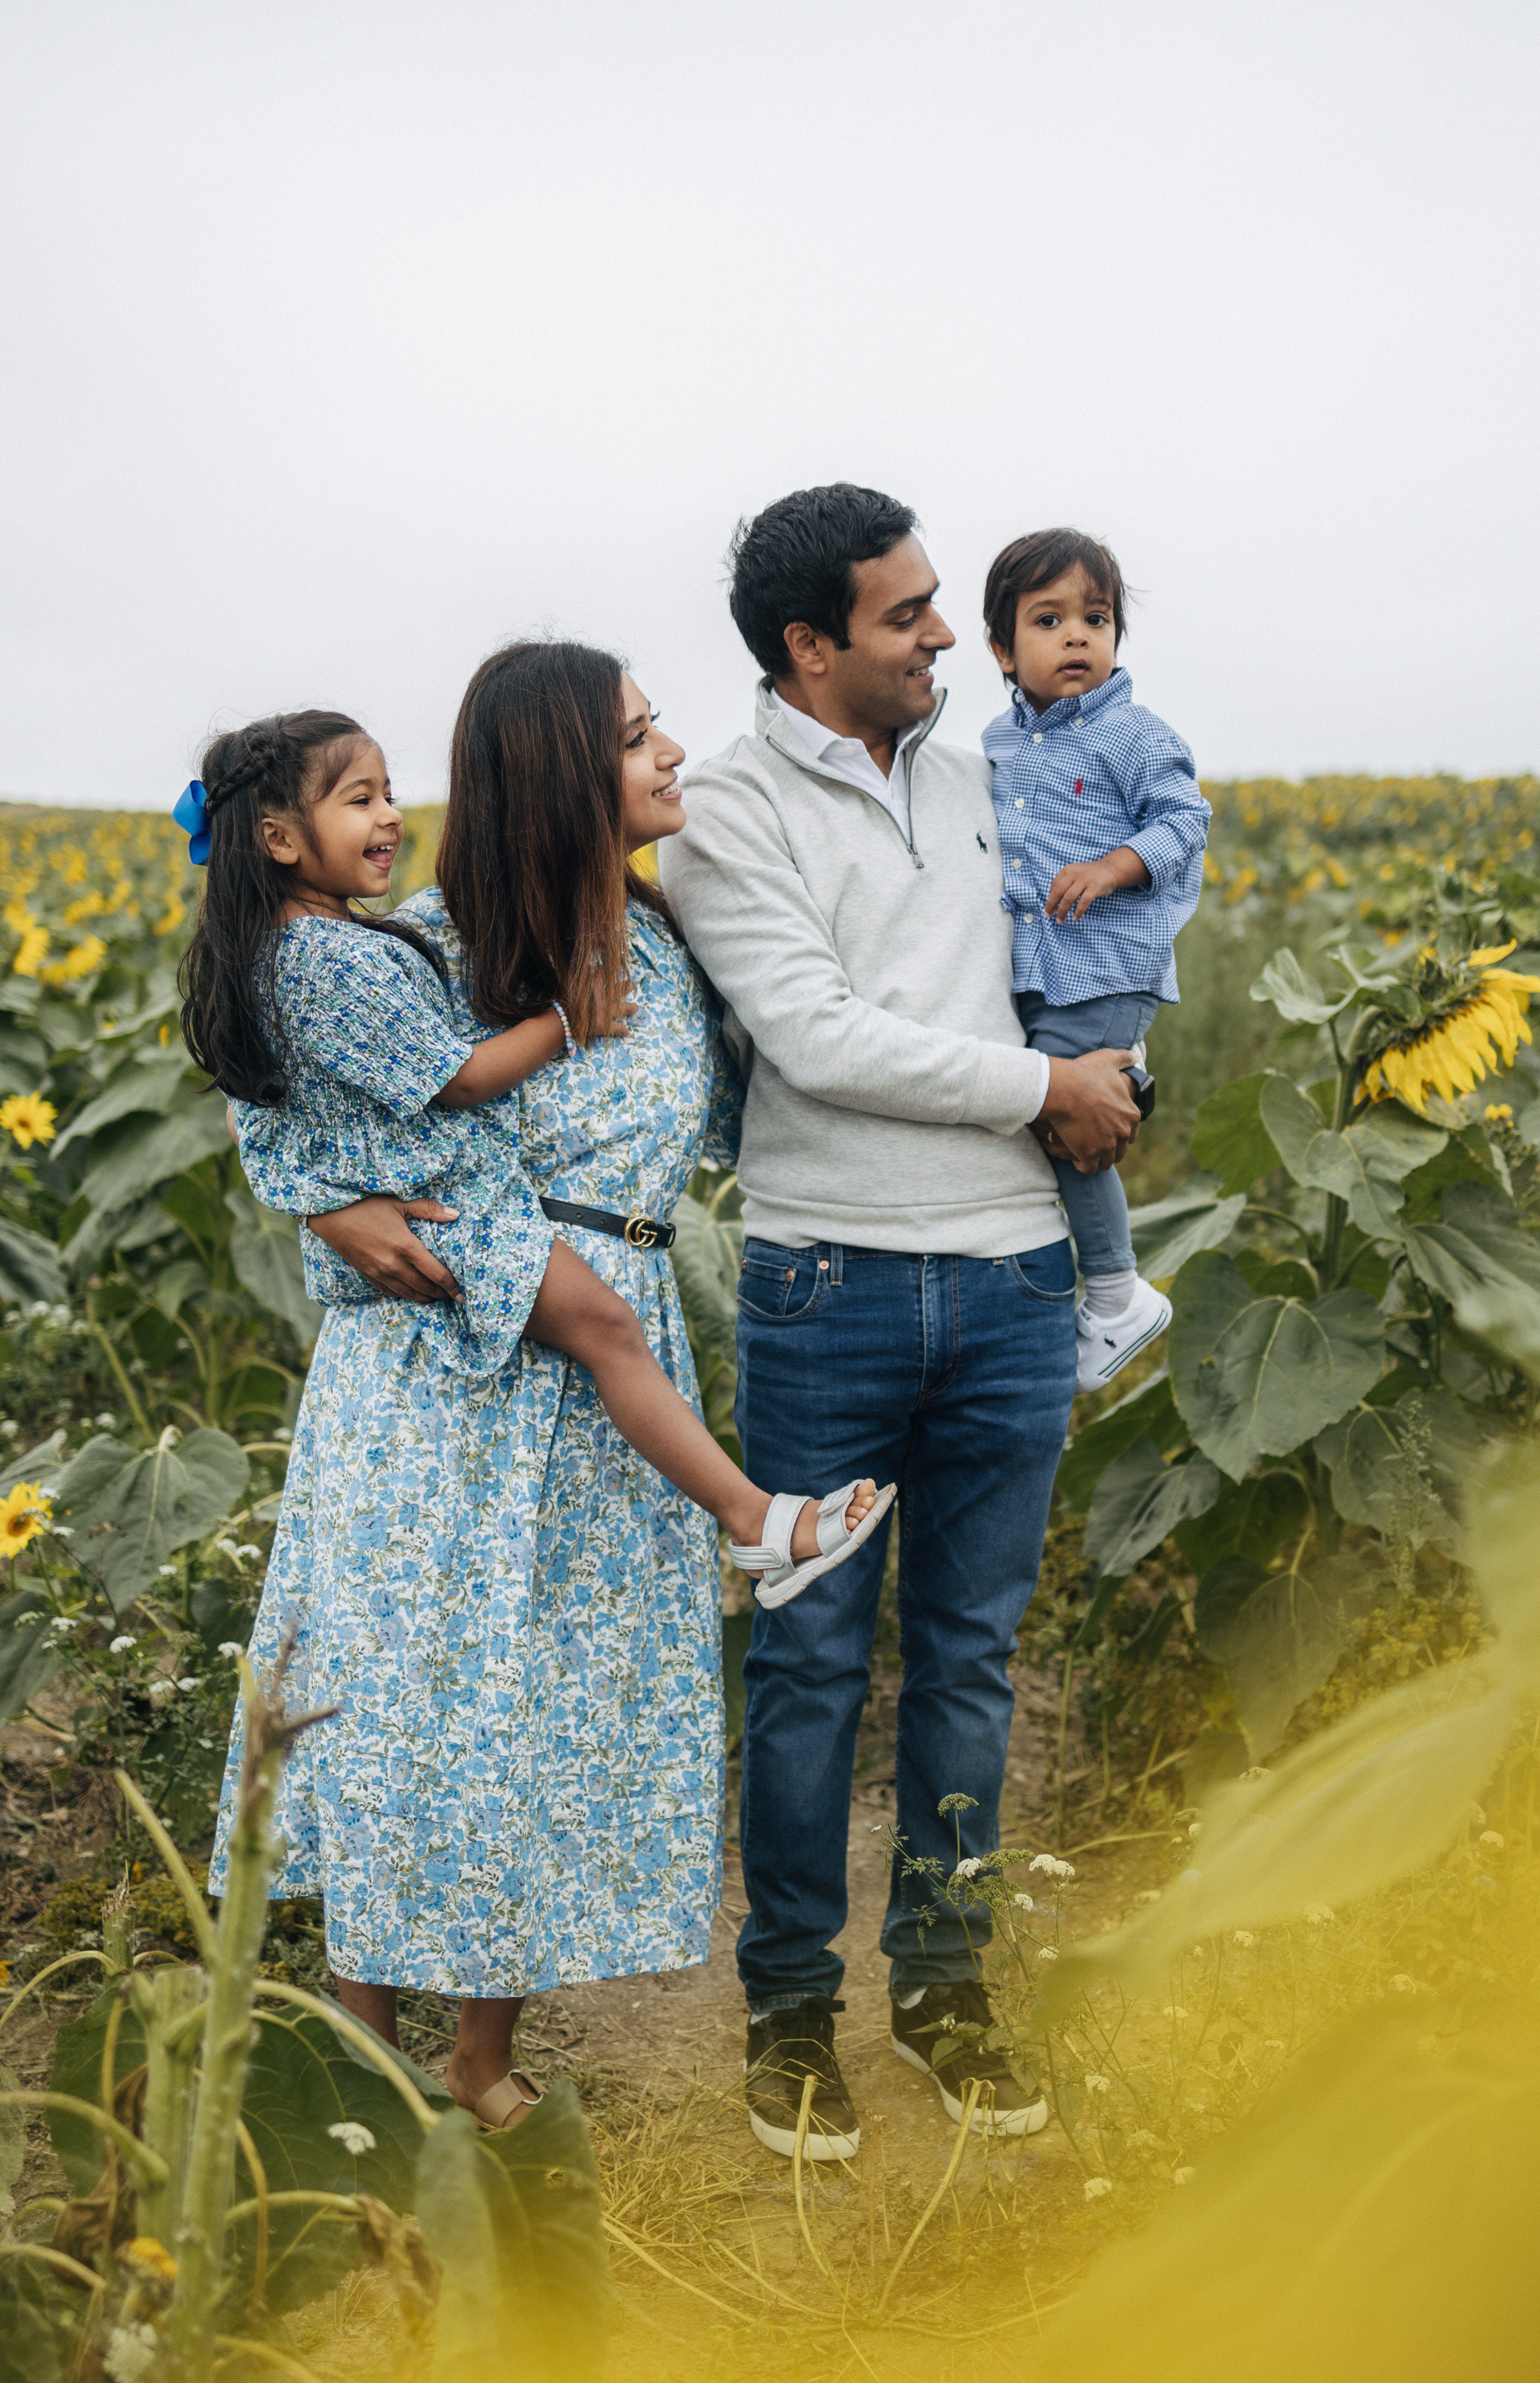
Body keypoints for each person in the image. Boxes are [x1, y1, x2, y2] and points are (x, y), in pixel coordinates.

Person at [195, 654, 881, 2134]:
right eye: (636, 737)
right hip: (448, 1373)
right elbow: (285, 1091)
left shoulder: (674, 937)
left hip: (614, 1358)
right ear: (563, 775)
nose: (671, 752)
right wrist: (325, 1215)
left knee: (540, 1716)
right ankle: (362, 2061)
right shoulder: (441, 942)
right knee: (408, 1703)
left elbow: (777, 1092)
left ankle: (477, 2059)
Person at [661, 483, 1143, 2161]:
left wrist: (1113, 1068)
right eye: (909, 611)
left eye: (942, 601)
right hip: (831, 1283)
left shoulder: (990, 770)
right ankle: (792, 2014)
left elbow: (1090, 952)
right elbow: (815, 1035)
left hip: (1016, 1276)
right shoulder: (724, 813)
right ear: (811, 646)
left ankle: (945, 1990)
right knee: (806, 1662)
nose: (950, 632)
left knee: (968, 1659)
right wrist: (1042, 1090)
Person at [177, 708, 886, 1601]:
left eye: (389, 793)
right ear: (279, 838)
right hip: (466, 1223)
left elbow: (270, 1089)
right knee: (609, 1333)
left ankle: (754, 1522)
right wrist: (563, 1019)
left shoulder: (317, 951)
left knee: (614, 1340)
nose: (391, 815)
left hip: (472, 1224)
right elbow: (444, 1082)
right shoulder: (381, 948)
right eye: (361, 800)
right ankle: (754, 1522)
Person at [982, 527, 1211, 1390]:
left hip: (1107, 962)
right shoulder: (998, 744)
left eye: (1096, 617)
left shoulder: (1132, 734)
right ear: (1002, 650)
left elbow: (1185, 820)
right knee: (1043, 1116)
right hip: (1040, 970)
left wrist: (1114, 867)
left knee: (1062, 1117)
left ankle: (1117, 1295)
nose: (1076, 636)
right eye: (1048, 620)